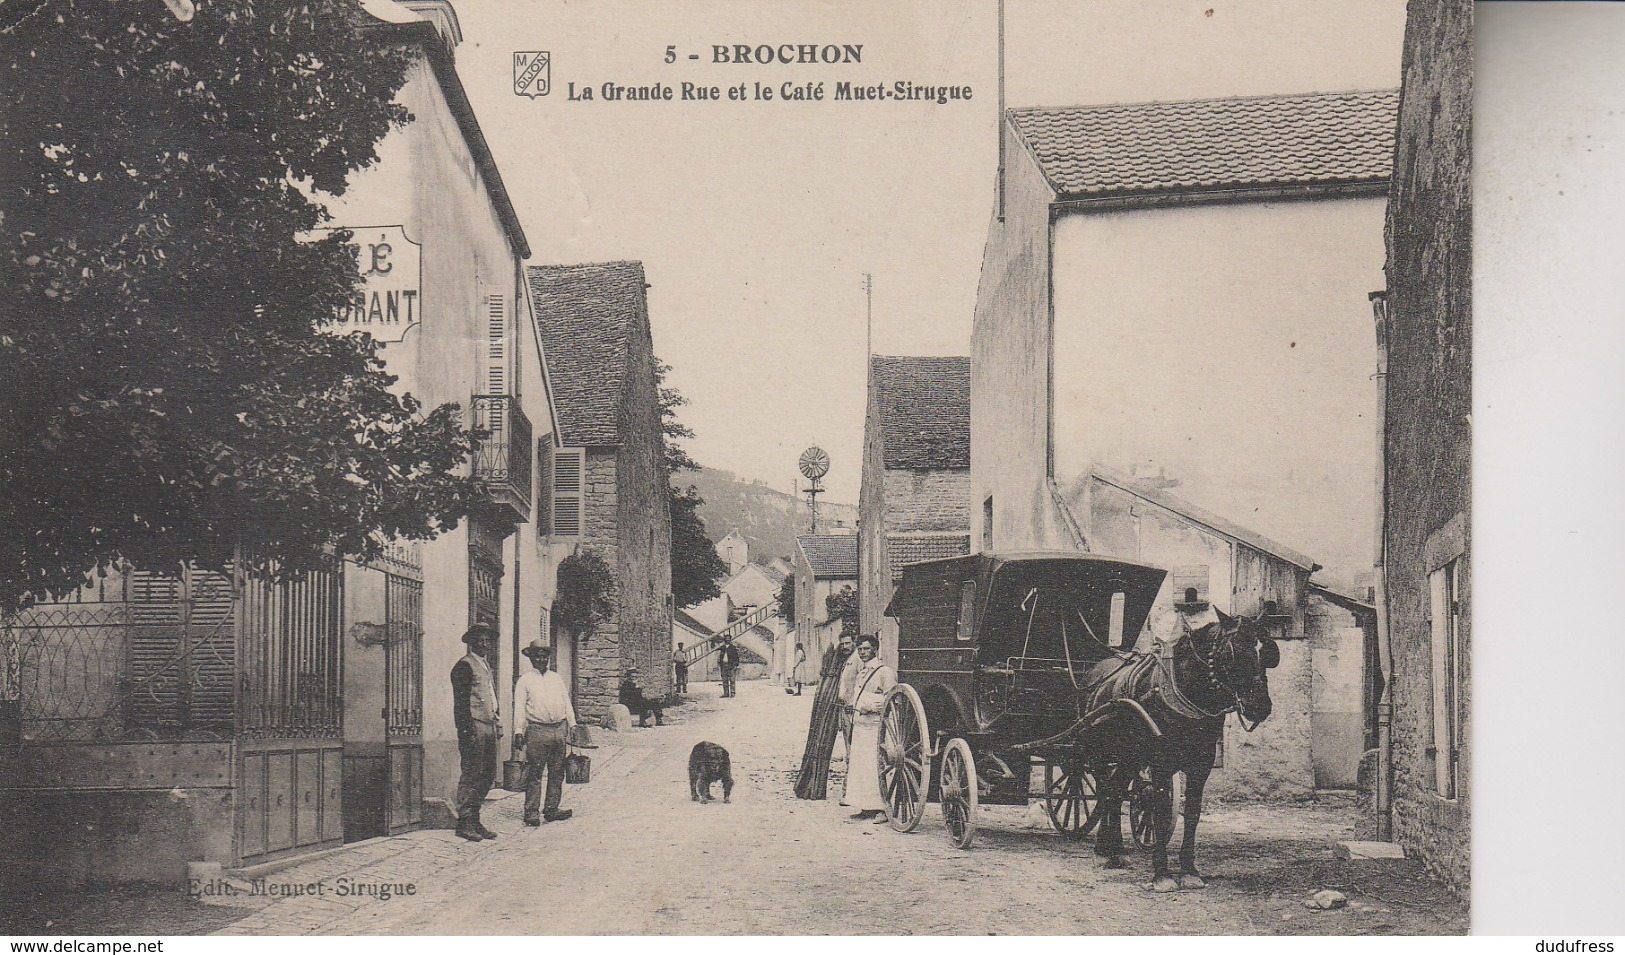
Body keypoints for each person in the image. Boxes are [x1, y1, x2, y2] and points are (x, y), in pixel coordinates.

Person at [511, 639, 577, 825]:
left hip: (559, 728)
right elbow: (520, 708)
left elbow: (566, 701)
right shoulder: (525, 681)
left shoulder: (556, 678)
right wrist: (518, 730)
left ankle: (551, 809)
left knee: (557, 772)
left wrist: (572, 725)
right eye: (537, 655)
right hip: (537, 730)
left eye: (544, 655)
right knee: (535, 773)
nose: (541, 659)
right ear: (531, 658)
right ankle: (531, 812)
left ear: (548, 657)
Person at [450, 624, 501, 842]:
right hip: (473, 726)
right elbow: (460, 704)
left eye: (487, 640)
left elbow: (489, 695)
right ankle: (464, 822)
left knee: (488, 775)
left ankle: (475, 819)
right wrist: (466, 730)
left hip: (488, 726)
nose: (483, 643)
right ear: (471, 642)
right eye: (479, 640)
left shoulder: (485, 665)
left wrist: (496, 720)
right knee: (471, 773)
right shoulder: (464, 666)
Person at [792, 631, 856, 800]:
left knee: (853, 749)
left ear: (853, 643)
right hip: (836, 703)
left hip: (852, 708)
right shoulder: (839, 660)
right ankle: (816, 787)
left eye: (848, 643)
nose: (845, 647)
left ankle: (850, 791)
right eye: (842, 644)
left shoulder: (857, 660)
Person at [844, 634, 896, 822]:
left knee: (877, 767)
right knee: (861, 767)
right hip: (861, 727)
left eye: (866, 649)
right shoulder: (862, 672)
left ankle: (883, 809)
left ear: (875, 649)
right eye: (860, 649)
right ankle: (866, 807)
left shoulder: (884, 672)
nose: (863, 653)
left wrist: (872, 707)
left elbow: (892, 698)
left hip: (876, 728)